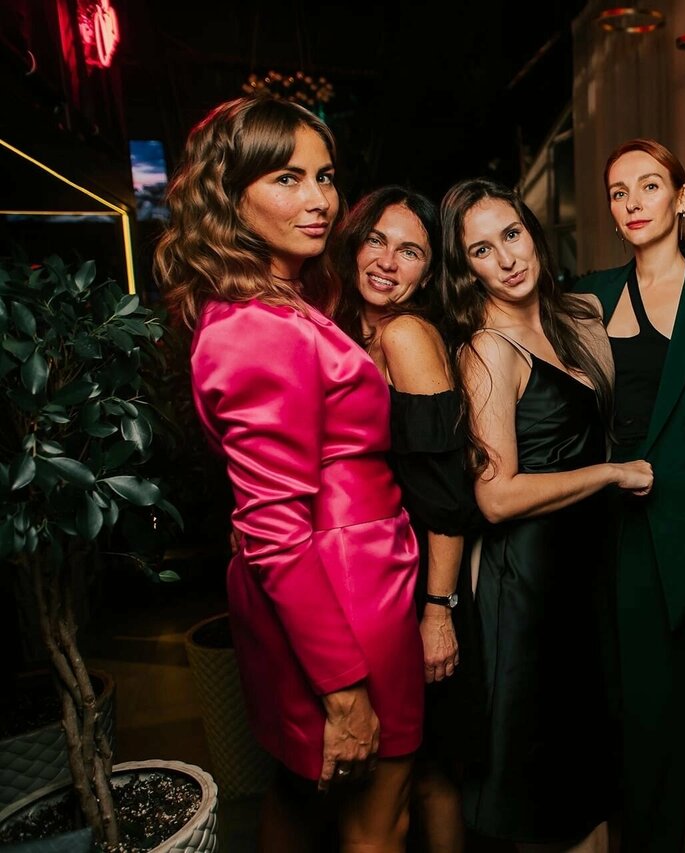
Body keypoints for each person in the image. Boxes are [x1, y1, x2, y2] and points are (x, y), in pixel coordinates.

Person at [157, 96, 422, 852]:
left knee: (303, 797)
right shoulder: (256, 328)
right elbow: (274, 529)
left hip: (342, 581)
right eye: (286, 178)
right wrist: (343, 687)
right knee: (380, 815)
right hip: (345, 593)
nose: (318, 200)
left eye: (325, 176)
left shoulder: (279, 304)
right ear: (230, 197)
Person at [438, 178, 654, 851]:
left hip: (583, 570)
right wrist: (613, 472)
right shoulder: (489, 349)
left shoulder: (573, 318)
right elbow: (496, 496)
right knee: (537, 788)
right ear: (465, 269)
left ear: (533, 232)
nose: (507, 259)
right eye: (481, 250)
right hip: (527, 584)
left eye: (512, 234)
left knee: (587, 774)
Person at [574, 139, 685, 852]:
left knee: (663, 704)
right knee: (603, 700)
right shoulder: (588, 295)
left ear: (682, 197)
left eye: (649, 186)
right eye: (619, 192)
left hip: (680, 522)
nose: (633, 203)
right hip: (596, 518)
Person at [329, 186, 483, 853]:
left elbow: (447, 493)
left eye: (411, 251)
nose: (388, 262)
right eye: (377, 240)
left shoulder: (406, 334)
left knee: (426, 772)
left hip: (417, 578)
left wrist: (438, 611)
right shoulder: (338, 327)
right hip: (367, 575)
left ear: (429, 271)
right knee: (401, 772)